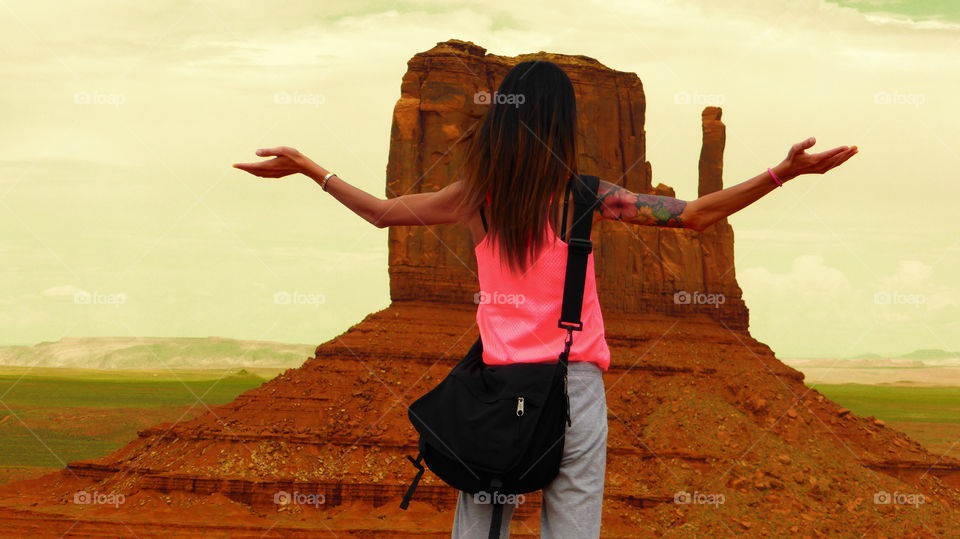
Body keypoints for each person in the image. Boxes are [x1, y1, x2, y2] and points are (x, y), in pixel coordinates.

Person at [233, 60, 857, 538]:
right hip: (571, 386)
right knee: (573, 522)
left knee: (480, 521)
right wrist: (784, 173)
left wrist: (311, 169)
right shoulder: (590, 195)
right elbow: (694, 215)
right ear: (563, 122)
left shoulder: (472, 195)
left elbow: (380, 213)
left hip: (494, 392)